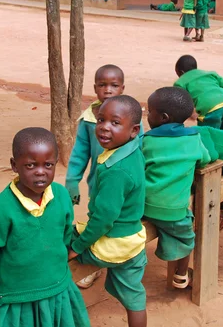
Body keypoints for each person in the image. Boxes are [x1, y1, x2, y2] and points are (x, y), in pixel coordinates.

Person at [0, 128, 90, 327]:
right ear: (14, 165)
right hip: (19, 299)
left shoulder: (61, 195)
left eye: (48, 165)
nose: (40, 172)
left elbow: (64, 234)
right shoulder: (2, 208)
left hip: (58, 289)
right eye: (30, 165)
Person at [69, 96, 148, 327]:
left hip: (111, 242)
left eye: (114, 122)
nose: (104, 126)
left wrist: (76, 248)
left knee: (58, 249)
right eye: (101, 119)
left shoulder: (116, 171)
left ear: (134, 130)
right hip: (132, 239)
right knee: (134, 296)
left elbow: (104, 219)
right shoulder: (131, 150)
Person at [66, 65, 143, 289]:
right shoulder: (89, 120)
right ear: (95, 88)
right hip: (98, 184)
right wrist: (72, 181)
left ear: (122, 88)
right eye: (102, 85)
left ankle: (104, 259)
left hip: (122, 185)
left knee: (111, 218)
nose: (108, 90)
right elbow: (79, 154)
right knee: (98, 216)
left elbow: (141, 152)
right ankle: (95, 267)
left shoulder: (132, 119)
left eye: (114, 85)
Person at [142, 87, 210, 288]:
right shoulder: (194, 138)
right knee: (188, 238)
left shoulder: (147, 140)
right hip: (174, 213)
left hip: (143, 207)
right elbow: (205, 159)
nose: (147, 115)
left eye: (149, 111)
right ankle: (180, 275)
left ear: (162, 117)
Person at [174, 55, 223, 130]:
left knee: (207, 137)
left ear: (181, 72)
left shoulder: (180, 82)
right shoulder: (210, 74)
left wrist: (191, 112)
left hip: (210, 110)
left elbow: (181, 100)